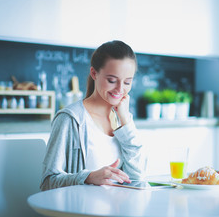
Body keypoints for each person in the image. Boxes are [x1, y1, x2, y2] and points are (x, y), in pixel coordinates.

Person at [40, 40, 144, 191]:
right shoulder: (70, 119)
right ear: (94, 73)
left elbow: (136, 178)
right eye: (112, 80)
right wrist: (88, 177)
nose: (120, 89)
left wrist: (126, 122)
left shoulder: (124, 119)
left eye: (127, 82)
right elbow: (47, 183)